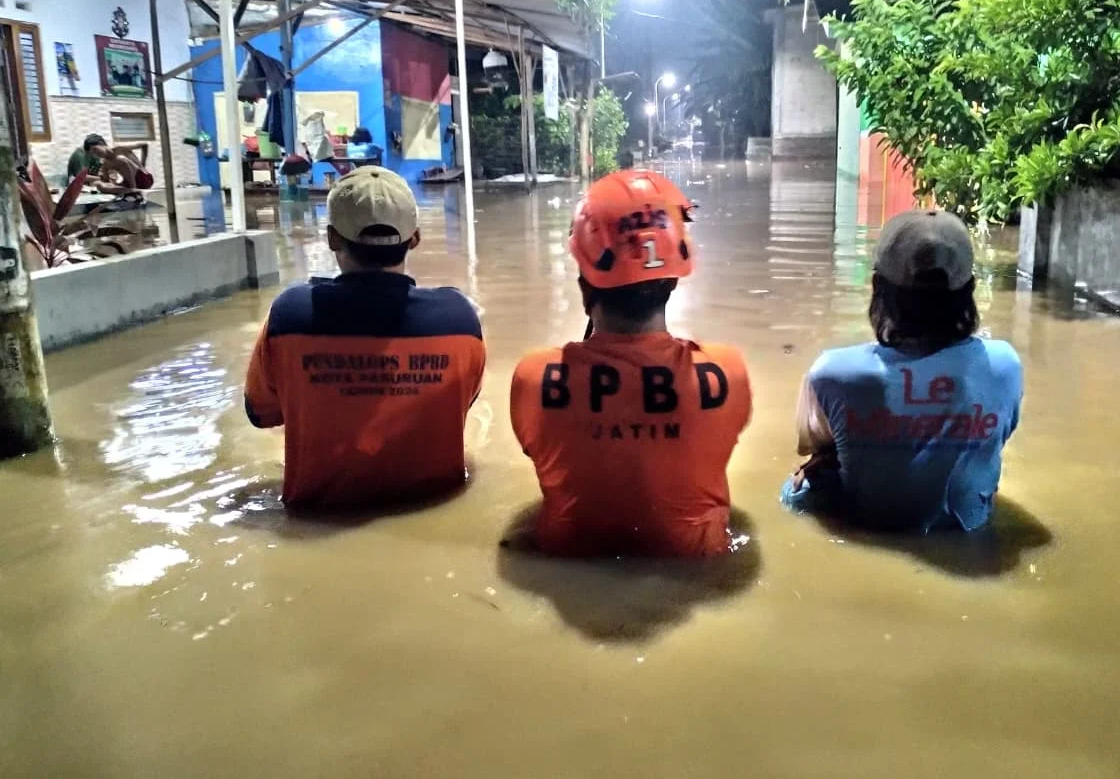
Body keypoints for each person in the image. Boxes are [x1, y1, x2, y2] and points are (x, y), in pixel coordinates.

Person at [510, 170, 752, 558]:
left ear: (583, 281)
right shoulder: (726, 372)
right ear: (672, 280)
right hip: (696, 565)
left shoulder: (536, 376)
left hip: (570, 562)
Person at [244, 166, 485, 509]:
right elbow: (460, 404)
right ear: (414, 238)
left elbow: (261, 414)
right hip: (432, 512)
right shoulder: (459, 321)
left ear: (332, 238)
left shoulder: (290, 315)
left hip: (318, 521)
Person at [783, 209, 1023, 533]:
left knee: (800, 488)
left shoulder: (834, 373)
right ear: (970, 289)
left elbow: (814, 445)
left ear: (877, 286)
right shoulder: (1004, 365)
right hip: (966, 532)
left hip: (870, 524)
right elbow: (999, 436)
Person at [67, 135, 154, 195]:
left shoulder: (119, 149)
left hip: (143, 179)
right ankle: (131, 191)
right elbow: (107, 180)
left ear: (101, 144)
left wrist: (143, 165)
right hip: (128, 183)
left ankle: (134, 190)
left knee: (119, 159)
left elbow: (144, 145)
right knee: (99, 185)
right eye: (93, 153)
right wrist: (106, 179)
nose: (96, 154)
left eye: (95, 150)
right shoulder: (105, 163)